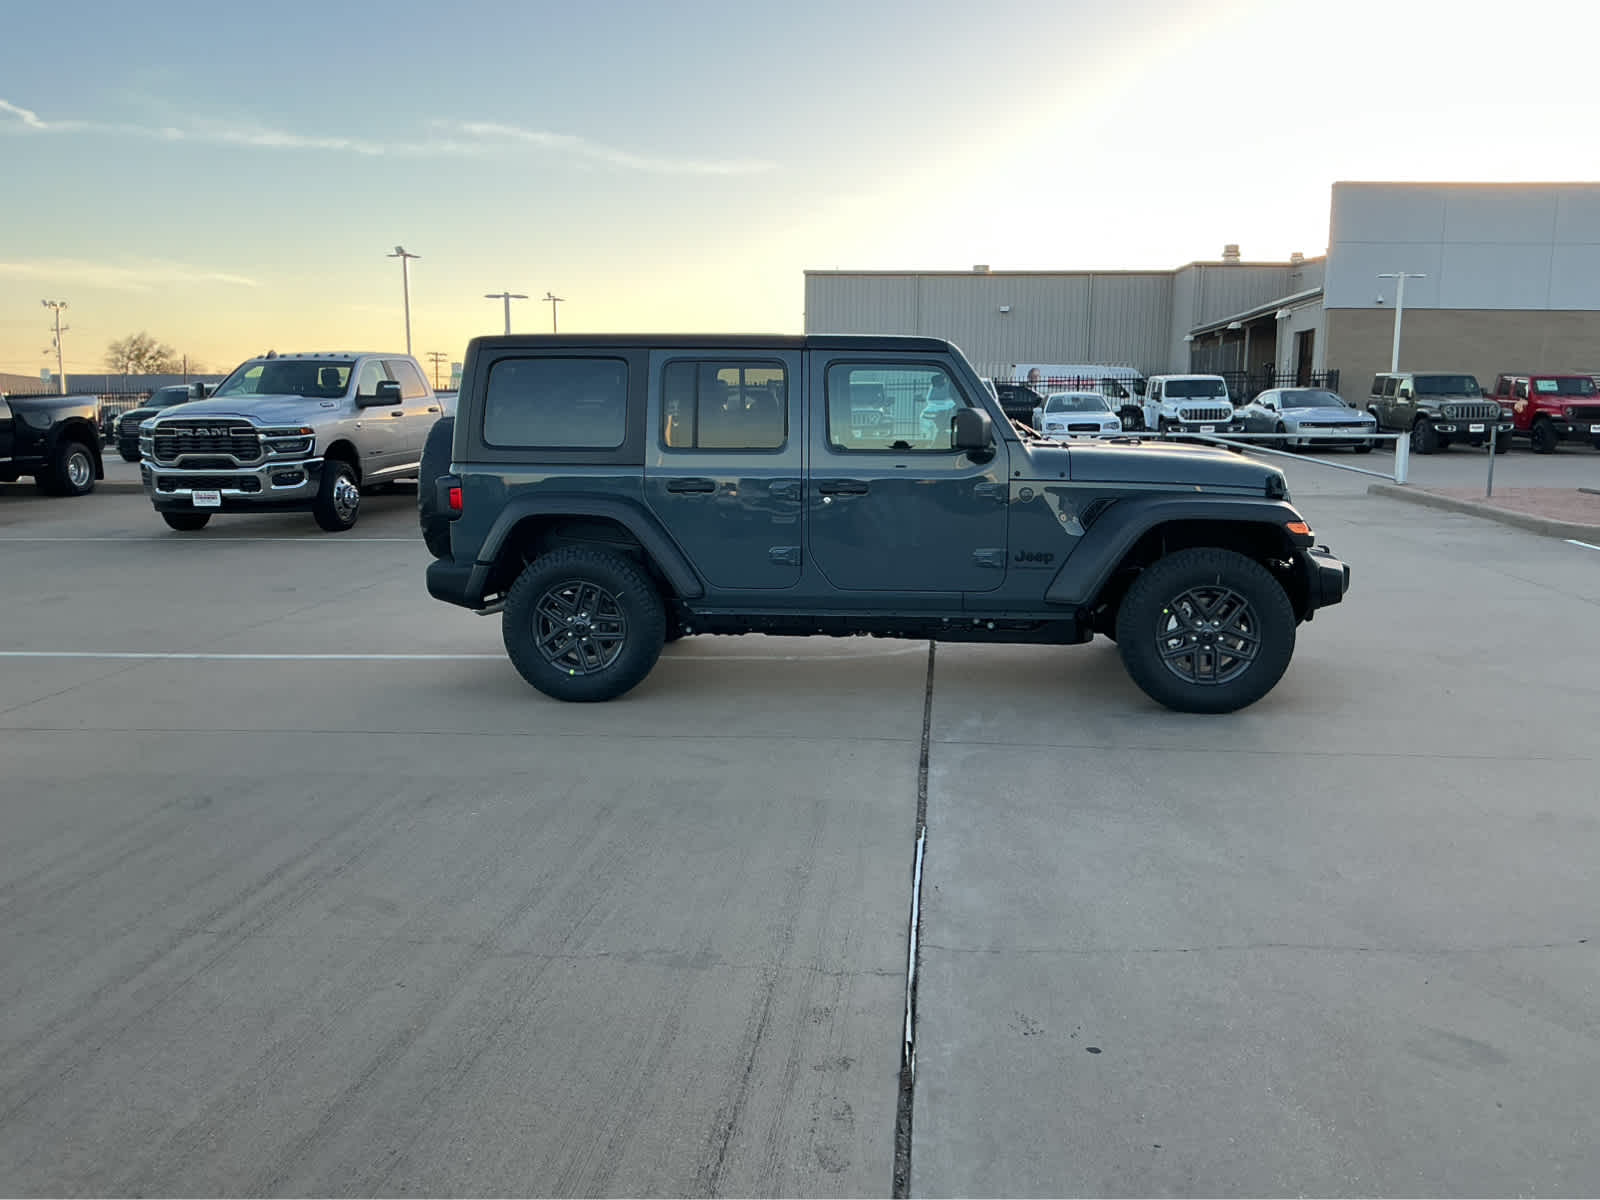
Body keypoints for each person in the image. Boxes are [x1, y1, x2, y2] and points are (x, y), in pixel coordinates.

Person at [920, 372, 959, 444]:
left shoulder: (951, 389)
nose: (937, 387)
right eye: (935, 385)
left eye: (939, 385)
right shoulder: (933, 397)